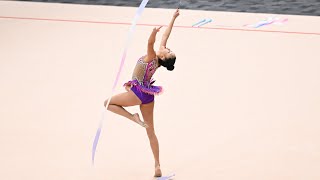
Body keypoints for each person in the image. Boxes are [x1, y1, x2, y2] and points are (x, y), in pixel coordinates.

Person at [104, 8, 180, 177]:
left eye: (168, 51)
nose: (167, 48)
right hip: (148, 95)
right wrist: (173, 18)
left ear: (163, 57)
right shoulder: (159, 59)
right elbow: (166, 35)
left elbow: (149, 44)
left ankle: (133, 118)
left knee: (107, 103)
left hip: (137, 92)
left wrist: (152, 33)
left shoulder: (152, 57)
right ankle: (157, 166)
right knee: (151, 131)